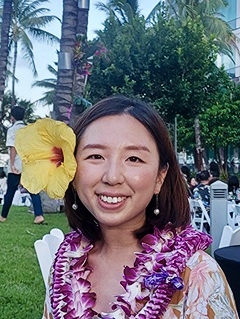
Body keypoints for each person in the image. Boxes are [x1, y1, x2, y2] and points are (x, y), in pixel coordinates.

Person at [16, 96, 238, 318]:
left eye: (133, 159)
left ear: (160, 177)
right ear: (72, 169)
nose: (112, 177)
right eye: (95, 156)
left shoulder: (198, 274)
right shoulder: (64, 265)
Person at [0, 106, 44, 224]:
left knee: (10, 191)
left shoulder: (12, 130)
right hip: (29, 164)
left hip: (17, 164)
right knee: (33, 190)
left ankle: (3, 216)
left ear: (12, 117)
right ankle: (39, 215)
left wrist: (13, 164)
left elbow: (13, 147)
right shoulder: (29, 129)